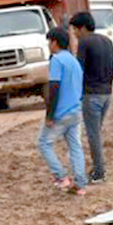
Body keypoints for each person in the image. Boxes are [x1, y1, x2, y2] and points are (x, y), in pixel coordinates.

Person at [37, 27, 87, 195]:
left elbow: (54, 88)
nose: (48, 45)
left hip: (61, 112)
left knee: (44, 143)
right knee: (75, 147)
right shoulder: (74, 61)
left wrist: (49, 115)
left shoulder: (57, 60)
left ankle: (61, 176)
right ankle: (80, 184)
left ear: (55, 42)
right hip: (76, 110)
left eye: (49, 42)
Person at [70, 11, 113, 184]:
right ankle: (97, 169)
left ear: (82, 28)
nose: (74, 33)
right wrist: (107, 83)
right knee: (96, 132)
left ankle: (99, 172)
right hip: (107, 93)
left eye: (75, 29)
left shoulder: (84, 42)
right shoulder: (106, 40)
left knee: (93, 135)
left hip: (91, 94)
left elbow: (79, 69)